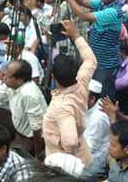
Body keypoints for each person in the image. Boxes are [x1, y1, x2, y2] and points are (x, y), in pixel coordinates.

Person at [43, 20, 97, 166]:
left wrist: (67, 160)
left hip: (66, 168)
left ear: (53, 77)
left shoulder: (62, 107)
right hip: (82, 155)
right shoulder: (81, 81)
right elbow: (91, 60)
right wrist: (76, 36)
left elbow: (71, 142)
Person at [58, 0, 122, 98]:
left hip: (105, 65)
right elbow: (83, 0)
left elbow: (82, 15)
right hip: (95, 60)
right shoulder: (104, 3)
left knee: (101, 98)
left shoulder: (114, 12)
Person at [0, 59, 47, 156]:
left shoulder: (29, 94)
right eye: (4, 73)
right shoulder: (10, 85)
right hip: (18, 128)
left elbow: (37, 129)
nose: (4, 78)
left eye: (7, 76)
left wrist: (38, 155)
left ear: (19, 80)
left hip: (31, 138)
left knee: (7, 158)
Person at [82, 80, 110, 180]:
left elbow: (90, 148)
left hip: (96, 158)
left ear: (92, 99)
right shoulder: (87, 106)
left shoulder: (98, 118)